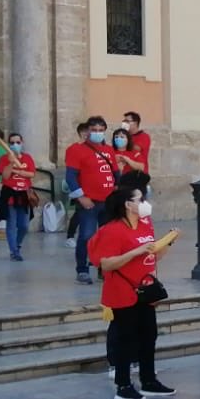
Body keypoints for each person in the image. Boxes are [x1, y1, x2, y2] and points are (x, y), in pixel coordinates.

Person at [88, 174, 176, 399]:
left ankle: (148, 380)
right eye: (139, 199)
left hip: (145, 289)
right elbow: (105, 263)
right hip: (122, 291)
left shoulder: (146, 224)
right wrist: (135, 252)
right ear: (128, 204)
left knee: (149, 335)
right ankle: (123, 384)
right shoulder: (113, 230)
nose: (144, 203)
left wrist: (167, 243)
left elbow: (153, 256)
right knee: (125, 338)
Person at [65, 117, 119, 285]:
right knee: (86, 236)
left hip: (108, 202)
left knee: (107, 238)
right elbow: (70, 176)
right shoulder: (76, 150)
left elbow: (115, 173)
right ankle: (82, 270)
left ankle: (104, 269)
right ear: (87, 131)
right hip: (89, 201)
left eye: (100, 130)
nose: (97, 133)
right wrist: (81, 196)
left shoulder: (108, 150)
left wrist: (117, 188)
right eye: (94, 130)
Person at [0, 132, 36, 262]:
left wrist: (18, 171)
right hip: (9, 193)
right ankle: (14, 251)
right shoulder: (3, 159)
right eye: (12, 143)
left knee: (24, 225)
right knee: (11, 224)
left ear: (22, 143)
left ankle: (17, 244)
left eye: (17, 142)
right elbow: (5, 176)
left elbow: (31, 174)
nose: (15, 145)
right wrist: (11, 164)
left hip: (24, 194)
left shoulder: (27, 158)